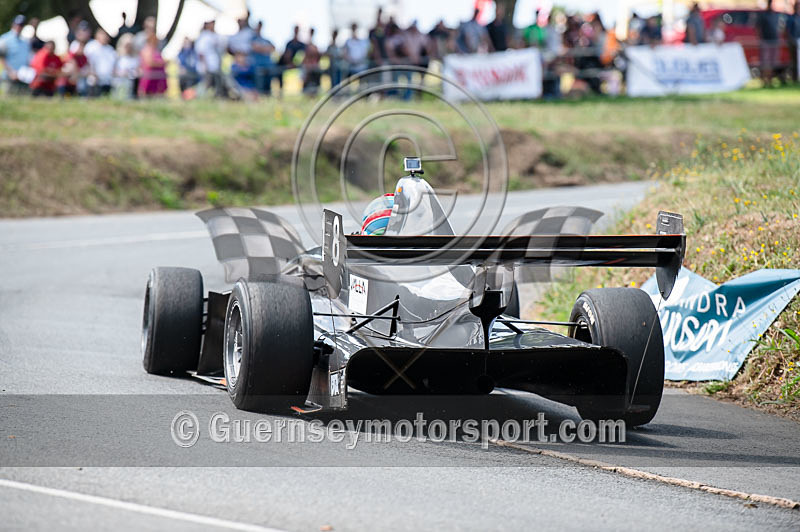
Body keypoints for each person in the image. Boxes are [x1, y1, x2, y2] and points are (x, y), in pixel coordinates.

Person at [0, 15, 32, 94]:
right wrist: (10, 72)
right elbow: (1, 58)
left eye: (21, 25)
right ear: (13, 24)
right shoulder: (4, 39)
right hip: (9, 78)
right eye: (17, 24)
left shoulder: (25, 41)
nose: (19, 27)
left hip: (23, 78)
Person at [195, 19, 224, 97]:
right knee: (205, 83)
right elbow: (201, 53)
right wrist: (205, 65)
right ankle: (198, 96)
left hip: (214, 66)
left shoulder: (213, 36)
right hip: (207, 66)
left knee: (213, 83)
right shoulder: (204, 36)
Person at [85, 29, 117, 96]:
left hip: (108, 79)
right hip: (94, 78)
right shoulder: (91, 47)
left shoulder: (110, 49)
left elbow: (114, 64)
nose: (105, 37)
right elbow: (87, 62)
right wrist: (93, 73)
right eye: (103, 34)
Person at [757, 0, 781, 84]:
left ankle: (770, 80)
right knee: (766, 62)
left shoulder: (776, 15)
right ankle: (765, 80)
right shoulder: (763, 15)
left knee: (773, 61)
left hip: (774, 40)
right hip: (766, 41)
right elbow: (758, 28)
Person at [138, 32, 167, 97]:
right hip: (150, 77)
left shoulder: (155, 50)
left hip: (157, 77)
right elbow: (150, 63)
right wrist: (162, 63)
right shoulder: (147, 50)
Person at [251, 21, 276, 95]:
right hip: (258, 67)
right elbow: (255, 48)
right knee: (260, 85)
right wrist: (265, 49)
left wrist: (261, 48)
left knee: (268, 85)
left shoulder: (266, 40)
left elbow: (273, 48)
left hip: (268, 66)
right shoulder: (253, 39)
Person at [113, 34, 139, 99]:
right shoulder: (117, 56)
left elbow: (138, 71)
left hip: (131, 84)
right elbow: (113, 70)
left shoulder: (135, 58)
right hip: (118, 83)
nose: (129, 48)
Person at [302, 27, 321, 95]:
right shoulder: (306, 45)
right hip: (307, 68)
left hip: (314, 68)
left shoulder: (314, 46)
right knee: (306, 82)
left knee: (315, 82)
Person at [786, 1, 800, 82]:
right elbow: (788, 31)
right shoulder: (791, 18)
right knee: (794, 62)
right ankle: (794, 78)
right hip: (794, 43)